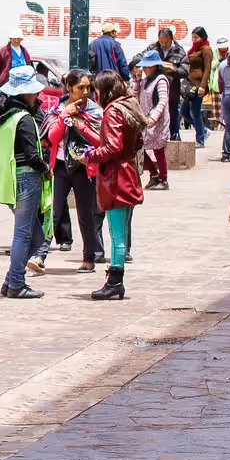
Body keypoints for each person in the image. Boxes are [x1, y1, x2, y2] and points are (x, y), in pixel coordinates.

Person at [0, 65, 50, 299]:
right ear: (24, 93)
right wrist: (46, 169)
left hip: (11, 179)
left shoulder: (3, 117)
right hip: (27, 178)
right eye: (34, 91)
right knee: (25, 235)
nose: (37, 96)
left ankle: (10, 281)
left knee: (31, 235)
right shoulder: (23, 119)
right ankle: (16, 283)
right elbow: (33, 156)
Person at [85, 70, 147, 301]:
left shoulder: (112, 112)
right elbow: (137, 140)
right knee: (121, 230)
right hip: (127, 173)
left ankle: (115, 282)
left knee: (117, 233)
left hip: (117, 178)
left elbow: (112, 147)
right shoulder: (128, 106)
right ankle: (114, 280)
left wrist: (91, 156)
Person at [51, 68, 105, 272]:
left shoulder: (95, 111)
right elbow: (53, 138)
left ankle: (89, 257)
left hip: (84, 167)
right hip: (61, 166)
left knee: (85, 215)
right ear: (68, 88)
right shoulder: (58, 109)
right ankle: (40, 254)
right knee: (54, 212)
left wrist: (80, 125)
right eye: (80, 88)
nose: (85, 92)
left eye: (87, 88)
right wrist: (65, 116)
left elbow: (99, 140)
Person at [135, 52, 171, 190]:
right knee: (141, 147)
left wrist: (154, 118)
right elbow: (136, 96)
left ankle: (163, 179)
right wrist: (137, 81)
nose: (144, 69)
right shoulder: (145, 81)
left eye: (147, 66)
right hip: (145, 120)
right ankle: (154, 175)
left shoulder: (161, 80)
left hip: (158, 122)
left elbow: (162, 101)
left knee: (158, 150)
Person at [181, 27, 214, 146]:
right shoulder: (193, 50)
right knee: (184, 111)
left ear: (203, 37)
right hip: (190, 85)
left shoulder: (206, 50)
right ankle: (204, 130)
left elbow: (207, 69)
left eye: (197, 37)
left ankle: (200, 139)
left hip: (198, 85)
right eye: (193, 37)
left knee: (195, 112)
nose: (194, 40)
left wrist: (203, 86)